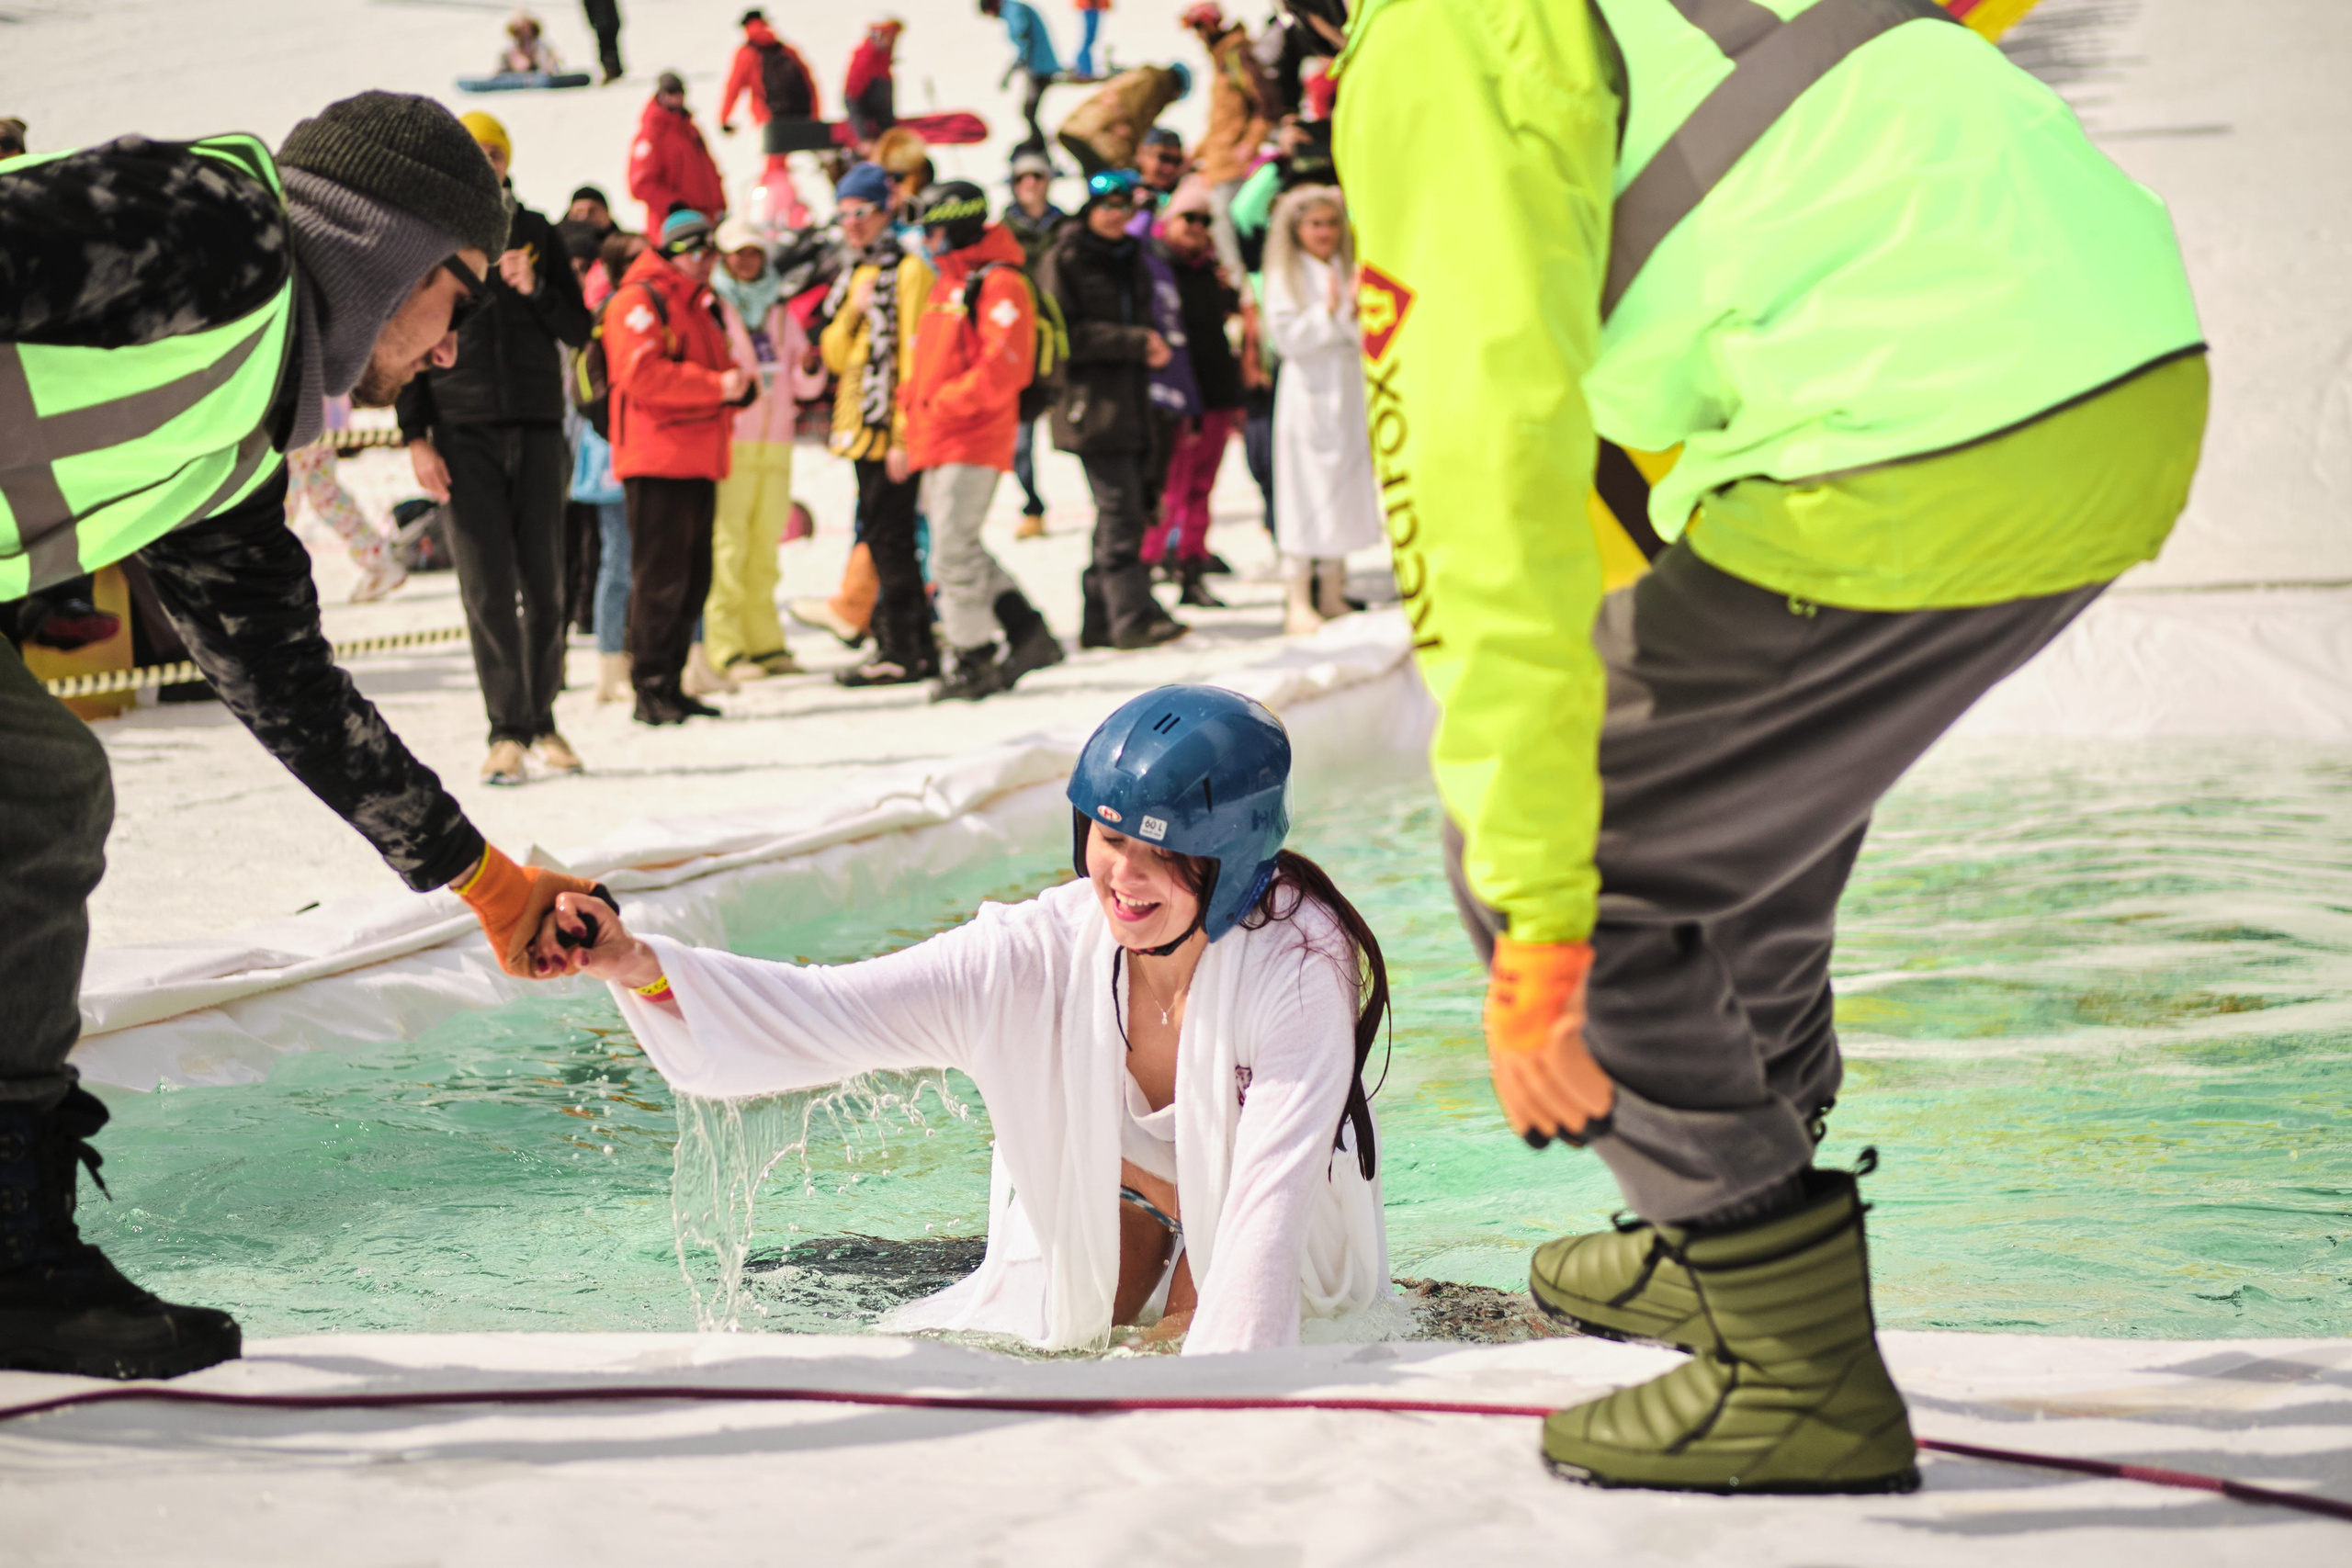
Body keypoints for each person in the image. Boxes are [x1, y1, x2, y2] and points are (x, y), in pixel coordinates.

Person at [1339, 0, 2208, 1494]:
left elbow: (1484, 475)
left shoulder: (1441, 36)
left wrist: (1543, 905)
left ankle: (1792, 1362)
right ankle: (1725, 1222)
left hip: (1922, 429)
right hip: (2120, 372)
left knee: (1569, 853)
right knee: (1726, 817)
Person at [0, 92, 617, 1381]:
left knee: (32, 793)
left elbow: (285, 682)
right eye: (460, 301)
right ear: (391, 253)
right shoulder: (211, 232)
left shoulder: (234, 443)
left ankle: (11, 1244)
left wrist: (489, 886)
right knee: (35, 792)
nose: (454, 352)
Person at [532, 684, 1394, 1352]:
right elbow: (828, 1011)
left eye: (1164, 854)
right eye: (1109, 836)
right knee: (1079, 1334)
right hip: (1111, 1187)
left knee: (1189, 1337)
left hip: (1260, 1199)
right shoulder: (1034, 956)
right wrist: (635, 962)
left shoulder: (1300, 967)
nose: (1124, 878)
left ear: (1232, 857)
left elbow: (1264, 1227)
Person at [396, 112, 593, 785]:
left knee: (547, 582)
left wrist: (534, 291)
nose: (487, 163)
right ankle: (506, 728)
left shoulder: (536, 232)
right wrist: (415, 436)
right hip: (463, 430)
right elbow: (405, 341)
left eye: (494, 152)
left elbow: (580, 325)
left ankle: (543, 717)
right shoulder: (432, 237)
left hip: (538, 425)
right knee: (485, 585)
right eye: (474, 153)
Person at [899, 181, 1066, 704]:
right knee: (958, 545)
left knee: (949, 551)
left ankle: (973, 655)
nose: (926, 239)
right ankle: (1027, 632)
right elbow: (927, 365)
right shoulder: (949, 283)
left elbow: (1003, 367)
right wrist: (916, 413)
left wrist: (944, 404)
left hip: (973, 435)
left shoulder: (999, 283)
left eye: (934, 229)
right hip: (939, 436)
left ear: (960, 226)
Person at [605, 209, 754, 724]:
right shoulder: (641, 298)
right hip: (657, 457)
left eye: (711, 251)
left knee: (693, 578)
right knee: (660, 577)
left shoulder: (697, 302)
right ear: (671, 252)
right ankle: (649, 686)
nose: (707, 260)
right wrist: (717, 387)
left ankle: (669, 681)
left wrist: (734, 387)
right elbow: (644, 376)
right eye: (698, 250)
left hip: (696, 456)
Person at [1041, 170, 1187, 651]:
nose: (1115, 216)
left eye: (1124, 208)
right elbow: (1066, 335)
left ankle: (1102, 617)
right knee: (1120, 510)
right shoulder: (1067, 257)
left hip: (1129, 398)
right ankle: (1131, 616)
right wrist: (1134, 342)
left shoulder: (1131, 257)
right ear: (1089, 208)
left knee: (1124, 507)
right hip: (1090, 404)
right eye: (1107, 207)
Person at [814, 162, 936, 687]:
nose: (852, 224)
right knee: (883, 536)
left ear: (885, 211)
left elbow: (916, 358)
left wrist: (905, 436)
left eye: (861, 213)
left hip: (891, 432)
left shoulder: (909, 271)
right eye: (843, 215)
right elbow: (835, 353)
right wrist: (852, 313)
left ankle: (906, 646)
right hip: (860, 429)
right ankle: (899, 641)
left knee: (893, 539)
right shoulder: (857, 274)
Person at [707, 216, 820, 682]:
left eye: (754, 252)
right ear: (725, 258)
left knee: (766, 542)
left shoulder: (778, 310)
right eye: (738, 253)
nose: (747, 261)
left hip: (775, 443)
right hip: (735, 439)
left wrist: (812, 367)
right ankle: (726, 646)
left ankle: (765, 641)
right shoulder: (714, 308)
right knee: (729, 543)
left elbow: (800, 380)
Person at [1261, 184, 1376, 635]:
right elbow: (1285, 337)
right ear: (1297, 229)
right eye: (1315, 224)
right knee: (1301, 488)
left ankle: (1333, 588)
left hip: (1345, 387)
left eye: (1331, 224)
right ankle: (1297, 596)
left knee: (1342, 483)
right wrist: (1327, 315)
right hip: (1307, 389)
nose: (1324, 233)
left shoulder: (1346, 268)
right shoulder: (1284, 275)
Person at [1143, 182, 1245, 608]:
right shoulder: (1155, 267)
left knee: (1201, 489)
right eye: (1189, 218)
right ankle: (1145, 575)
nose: (1197, 228)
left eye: (1205, 221)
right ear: (1169, 221)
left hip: (1216, 392)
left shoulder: (1208, 269)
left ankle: (1191, 568)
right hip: (1178, 398)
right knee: (1170, 492)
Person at [1179, 4, 1271, 282]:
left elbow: (1265, 104)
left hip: (1234, 162)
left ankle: (1246, 289)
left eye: (1199, 27)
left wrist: (1251, 143)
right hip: (1219, 161)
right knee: (1223, 228)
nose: (1198, 35)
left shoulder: (1236, 54)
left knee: (1232, 228)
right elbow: (1221, 120)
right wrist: (1195, 154)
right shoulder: (1220, 60)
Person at [1001, 150, 1068, 538]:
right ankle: (1032, 503)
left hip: (1062, 336)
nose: (1030, 184)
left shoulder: (1065, 226)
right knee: (1020, 436)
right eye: (1022, 177)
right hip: (1023, 339)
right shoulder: (1003, 230)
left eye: (1037, 177)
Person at [287, 396, 407, 603]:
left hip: (299, 418)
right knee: (325, 493)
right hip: (326, 416)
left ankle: (264, 569)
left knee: (283, 499)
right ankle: (376, 558)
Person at [719, 9, 826, 232]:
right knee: (793, 172)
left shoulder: (747, 53)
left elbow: (734, 86)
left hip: (770, 123)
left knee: (774, 173)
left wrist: (724, 117)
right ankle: (798, 215)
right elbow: (809, 82)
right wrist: (814, 117)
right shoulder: (786, 49)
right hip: (797, 120)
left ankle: (773, 223)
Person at [627, 72, 726, 231]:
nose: (676, 97)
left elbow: (709, 171)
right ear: (660, 95)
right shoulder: (651, 134)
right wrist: (673, 205)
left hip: (707, 220)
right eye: (670, 92)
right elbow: (641, 184)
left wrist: (720, 205)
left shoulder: (690, 129)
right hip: (673, 224)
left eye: (679, 92)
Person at [981, 0, 1062, 155]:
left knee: (1029, 110)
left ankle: (1040, 147)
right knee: (1028, 111)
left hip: (1040, 68)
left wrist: (1013, 70)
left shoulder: (1013, 9)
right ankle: (1038, 144)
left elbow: (1022, 36)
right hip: (1039, 66)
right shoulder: (1014, 8)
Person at [842, 18, 903, 152]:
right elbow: (852, 98)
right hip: (870, 134)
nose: (893, 42)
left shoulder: (883, 59)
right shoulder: (865, 61)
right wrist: (862, 137)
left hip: (883, 131)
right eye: (890, 38)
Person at [497, 9, 561, 74]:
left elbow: (551, 71)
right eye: (521, 29)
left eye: (528, 27)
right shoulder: (508, 51)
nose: (525, 32)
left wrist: (552, 62)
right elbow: (500, 74)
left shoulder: (542, 48)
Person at [580, 0, 625, 85]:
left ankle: (612, 71)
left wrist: (593, 22)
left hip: (604, 23)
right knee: (610, 46)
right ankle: (615, 70)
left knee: (606, 48)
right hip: (607, 22)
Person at [1070, 0, 1111, 79]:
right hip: (1090, 6)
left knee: (1089, 39)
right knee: (1088, 39)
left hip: (1092, 6)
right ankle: (1084, 70)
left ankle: (1084, 70)